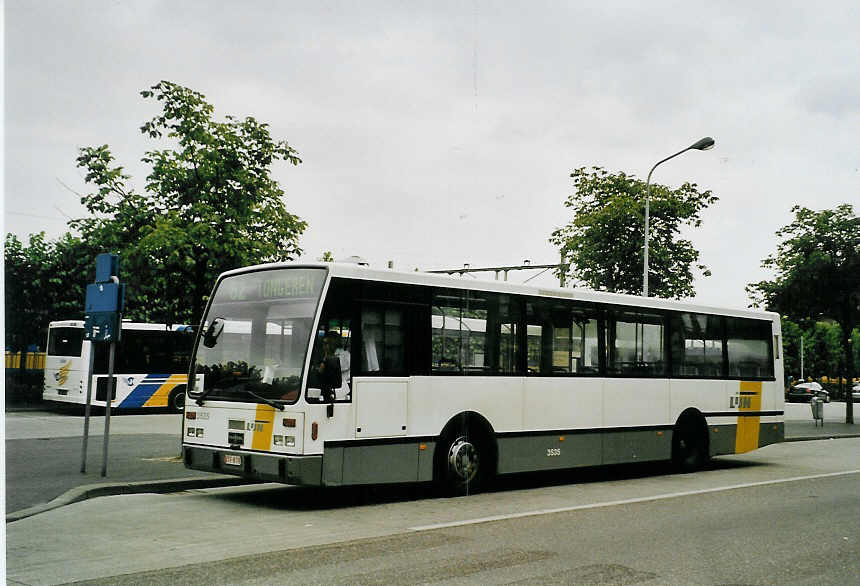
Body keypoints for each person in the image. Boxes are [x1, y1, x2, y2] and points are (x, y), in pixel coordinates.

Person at [318, 330, 350, 400]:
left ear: (333, 343)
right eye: (323, 344)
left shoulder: (344, 355)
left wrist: (326, 355)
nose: (324, 346)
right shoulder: (328, 355)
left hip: (341, 390)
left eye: (326, 343)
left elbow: (323, 370)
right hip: (330, 389)